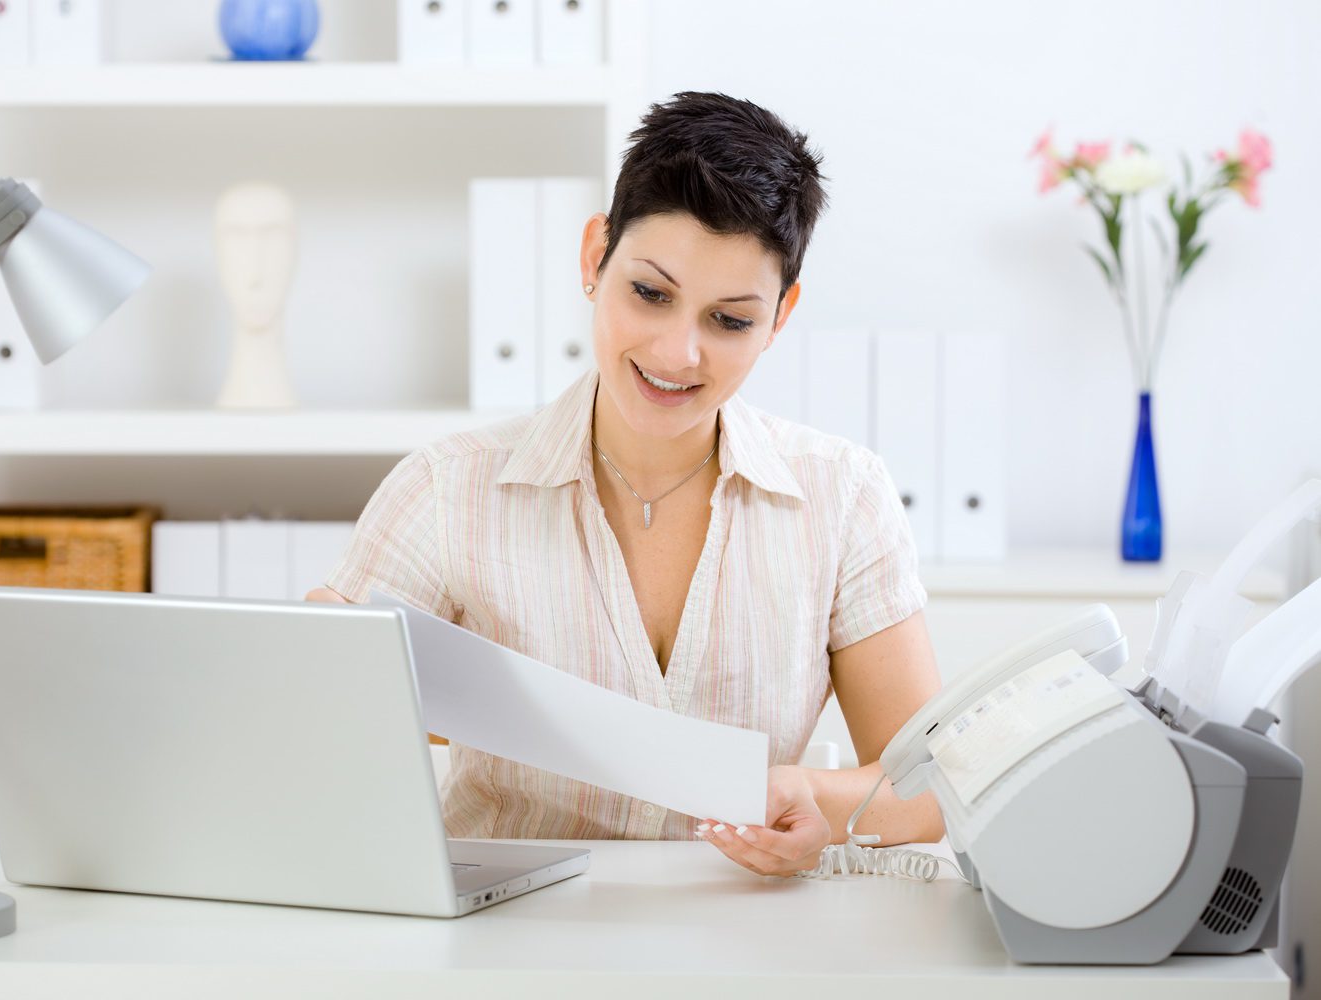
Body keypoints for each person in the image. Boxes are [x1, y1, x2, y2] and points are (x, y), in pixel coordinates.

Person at [308, 91, 944, 876]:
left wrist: (820, 796)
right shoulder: (447, 490)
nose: (678, 354)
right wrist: (325, 675)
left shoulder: (841, 497)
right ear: (593, 257)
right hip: (507, 949)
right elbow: (323, 737)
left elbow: (924, 791)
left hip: (747, 943)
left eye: (731, 320)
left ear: (781, 316)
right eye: (650, 293)